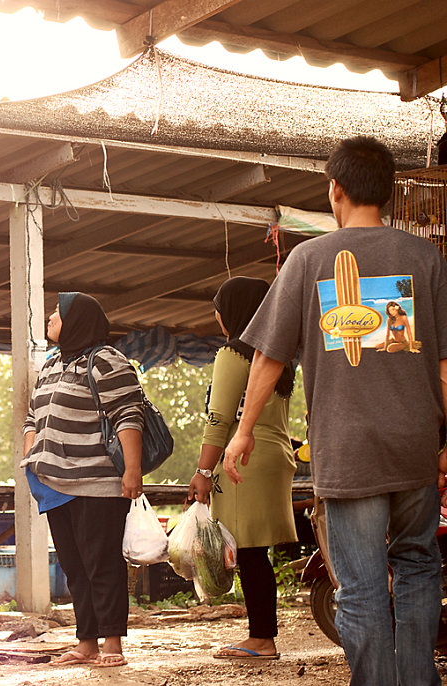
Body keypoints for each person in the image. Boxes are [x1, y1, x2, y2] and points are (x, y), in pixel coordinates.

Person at [224, 136, 447, 686]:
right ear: (391, 195)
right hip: (415, 447)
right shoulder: (426, 258)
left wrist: (243, 431)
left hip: (347, 455)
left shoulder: (308, 259)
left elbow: (268, 359)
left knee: (363, 585)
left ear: (336, 189)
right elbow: (444, 366)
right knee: (419, 567)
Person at [21, 292, 144, 668]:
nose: (49, 317)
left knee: (101, 563)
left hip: (98, 483)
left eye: (57, 312)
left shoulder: (106, 361)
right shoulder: (52, 363)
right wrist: (31, 456)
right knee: (74, 567)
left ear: (77, 320)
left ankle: (112, 644)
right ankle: (86, 642)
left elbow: (128, 415)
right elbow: (32, 417)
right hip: (55, 485)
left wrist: (132, 470)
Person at [187, 276, 297, 661]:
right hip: (275, 455)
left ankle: (262, 638)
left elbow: (219, 419)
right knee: (255, 551)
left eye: (219, 308)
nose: (216, 316)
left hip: (243, 458)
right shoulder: (280, 356)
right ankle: (262, 633)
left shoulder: (233, 354)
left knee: (249, 551)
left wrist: (202, 471)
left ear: (231, 312)